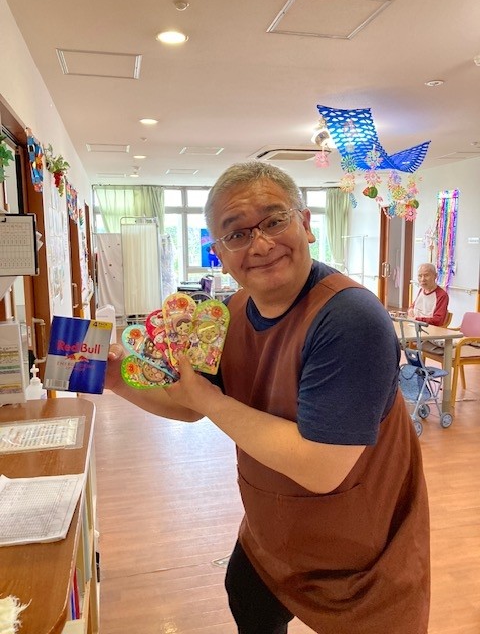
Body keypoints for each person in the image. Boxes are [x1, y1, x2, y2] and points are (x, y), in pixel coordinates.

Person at [106, 161, 430, 634]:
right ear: (220, 253)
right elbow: (189, 405)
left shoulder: (349, 319)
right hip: (272, 537)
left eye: (275, 221)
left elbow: (321, 467)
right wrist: (117, 381)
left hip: (361, 555)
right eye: (237, 234)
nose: (260, 245)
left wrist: (208, 399)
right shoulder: (232, 312)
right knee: (247, 599)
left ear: (306, 224)